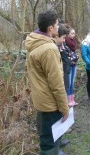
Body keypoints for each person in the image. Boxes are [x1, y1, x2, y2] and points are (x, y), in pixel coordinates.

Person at [25, 10, 69, 155]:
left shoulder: (33, 41)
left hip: (40, 98)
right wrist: (64, 108)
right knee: (50, 140)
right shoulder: (49, 49)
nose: (58, 26)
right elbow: (56, 83)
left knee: (46, 135)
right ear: (50, 28)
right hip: (50, 102)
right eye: (57, 24)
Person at [65, 28, 79, 106]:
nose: (73, 35)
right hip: (69, 65)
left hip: (74, 64)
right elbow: (66, 55)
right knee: (69, 83)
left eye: (74, 33)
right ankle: (67, 101)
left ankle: (72, 100)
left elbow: (74, 52)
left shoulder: (73, 42)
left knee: (72, 83)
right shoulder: (65, 42)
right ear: (68, 34)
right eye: (72, 33)